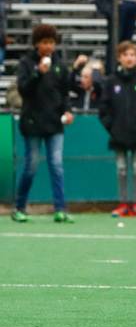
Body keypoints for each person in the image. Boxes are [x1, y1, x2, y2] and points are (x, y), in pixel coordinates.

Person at [12, 24, 85, 223]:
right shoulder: (26, 63)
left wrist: (68, 111)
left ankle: (60, 209)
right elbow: (23, 90)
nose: (48, 46)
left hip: (54, 124)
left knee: (57, 166)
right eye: (45, 42)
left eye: (52, 42)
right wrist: (38, 72)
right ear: (37, 43)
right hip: (32, 123)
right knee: (31, 166)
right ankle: (19, 207)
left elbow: (64, 93)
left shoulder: (60, 64)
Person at [98, 40, 136, 218]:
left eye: (132, 55)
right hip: (118, 135)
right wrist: (112, 128)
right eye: (125, 55)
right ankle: (123, 204)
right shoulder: (111, 81)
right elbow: (103, 109)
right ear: (119, 58)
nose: (129, 58)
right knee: (121, 169)